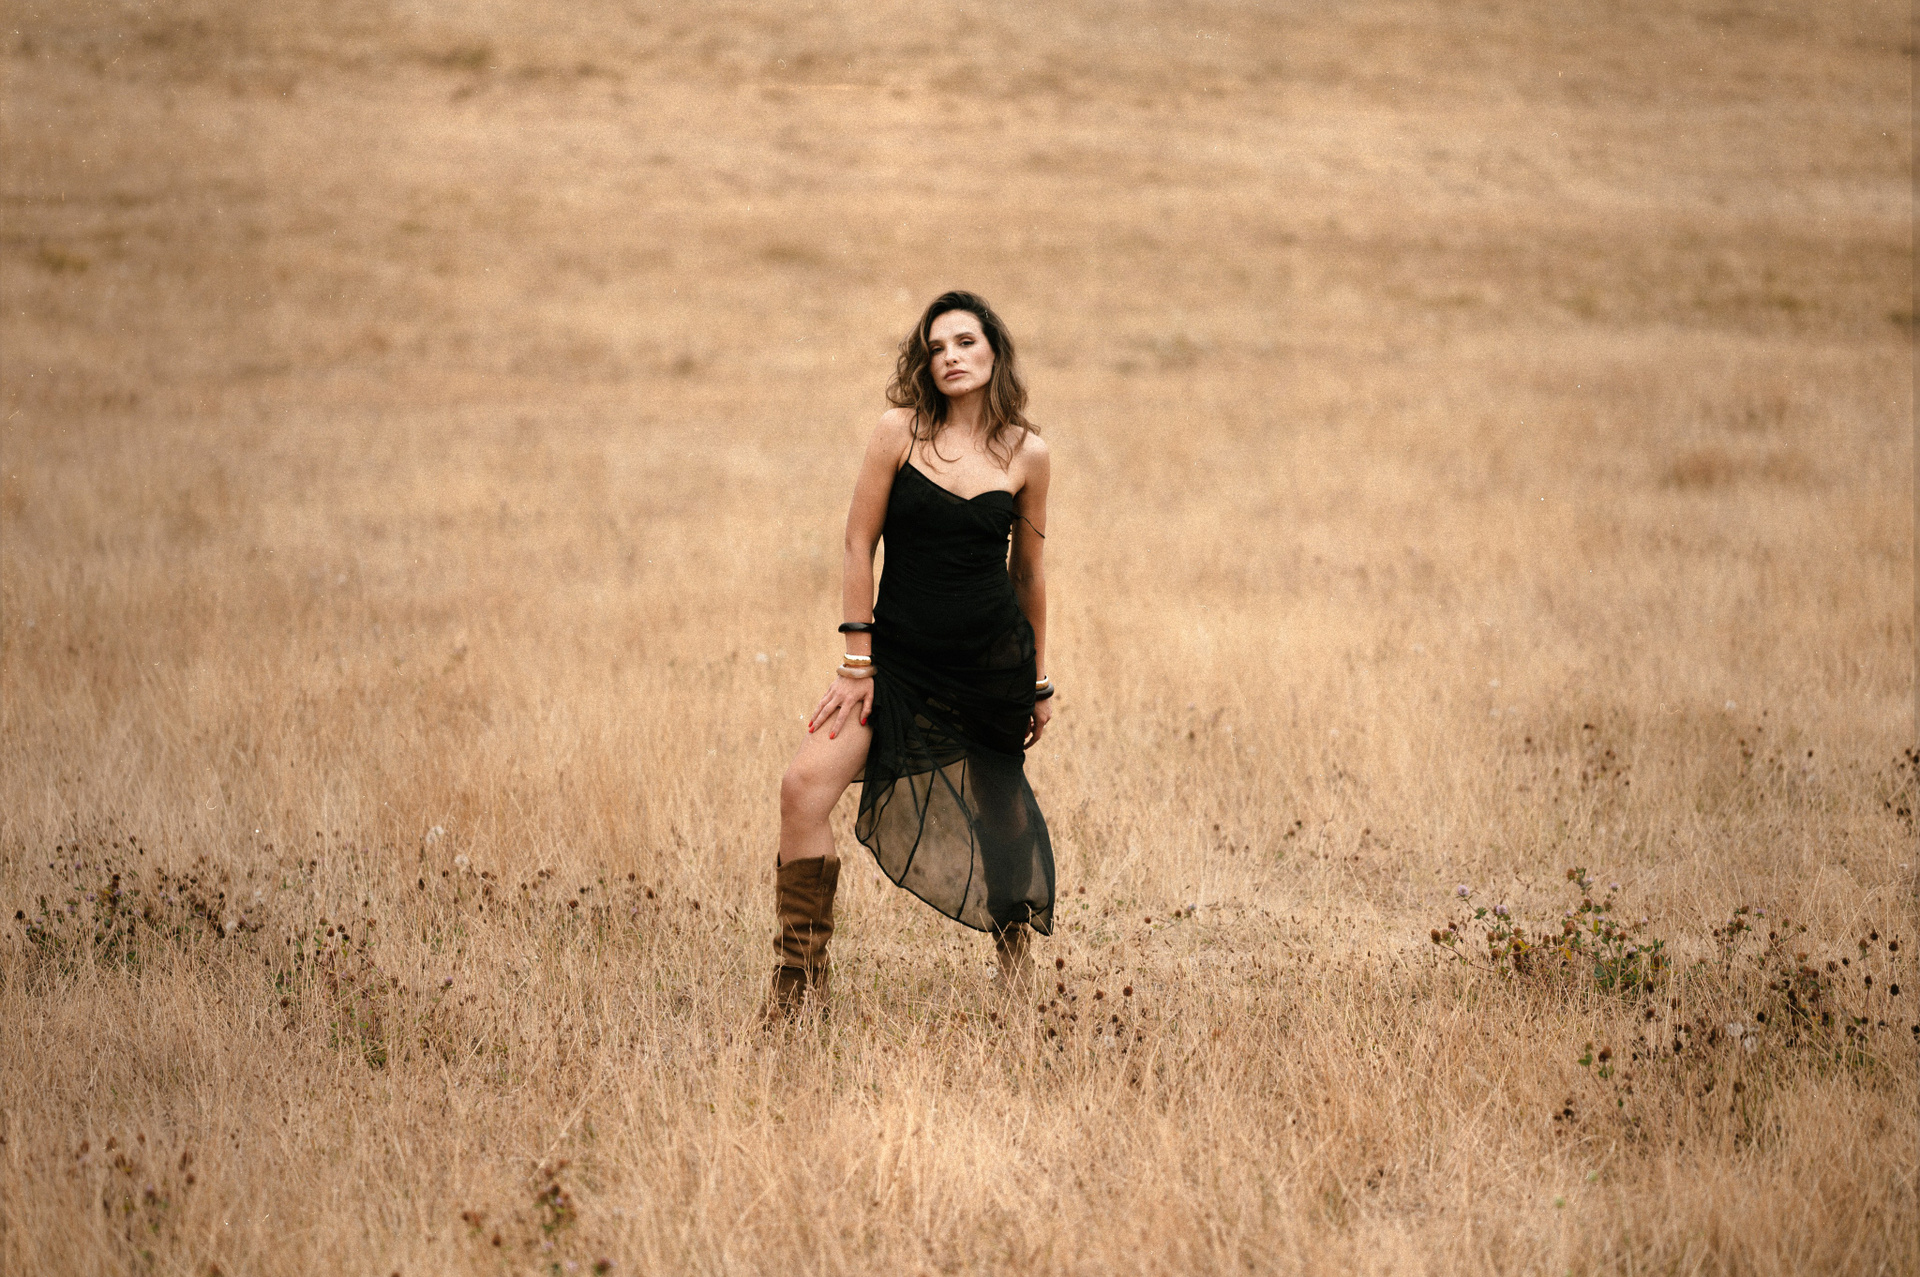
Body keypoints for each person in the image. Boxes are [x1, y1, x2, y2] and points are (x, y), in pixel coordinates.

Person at [765, 290, 1057, 1020]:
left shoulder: (1029, 454)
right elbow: (857, 543)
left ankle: (1014, 964)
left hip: (988, 669)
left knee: (1003, 817)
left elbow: (1028, 576)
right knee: (803, 788)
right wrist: (856, 662)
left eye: (965, 341)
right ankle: (798, 988)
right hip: (894, 666)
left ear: (994, 351)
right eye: (936, 348)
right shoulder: (898, 432)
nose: (951, 357)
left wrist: (1039, 680)